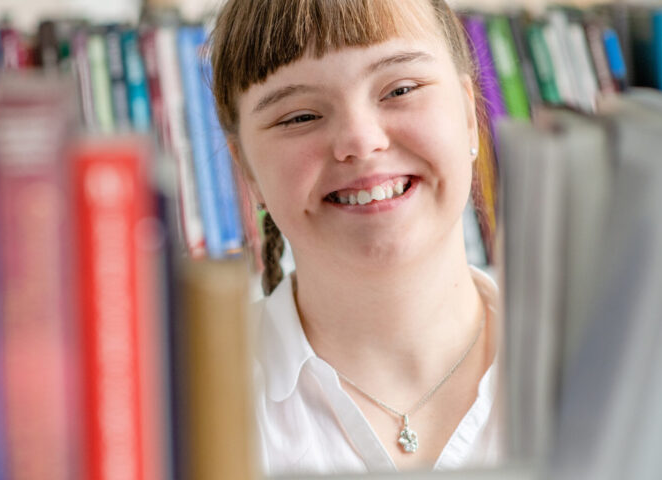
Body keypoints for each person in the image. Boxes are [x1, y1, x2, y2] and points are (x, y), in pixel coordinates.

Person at [208, 0, 501, 474]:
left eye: (400, 89)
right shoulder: (184, 408)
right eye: (299, 117)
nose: (360, 141)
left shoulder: (602, 368)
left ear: (469, 115)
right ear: (247, 172)